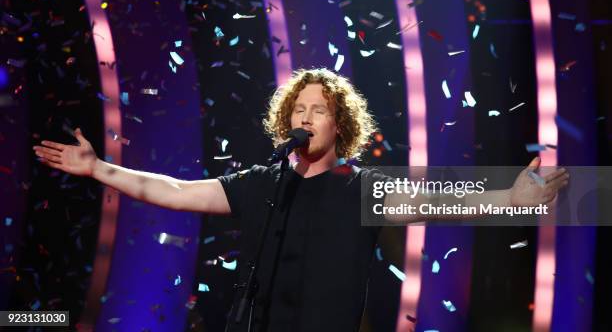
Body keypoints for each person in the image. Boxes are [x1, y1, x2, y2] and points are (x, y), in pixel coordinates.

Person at [33, 68, 569, 331]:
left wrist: (513, 199)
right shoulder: (262, 183)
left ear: (341, 124)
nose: (305, 118)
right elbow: (172, 192)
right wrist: (98, 167)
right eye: (298, 109)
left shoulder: (363, 187)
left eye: (318, 110)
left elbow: (443, 204)